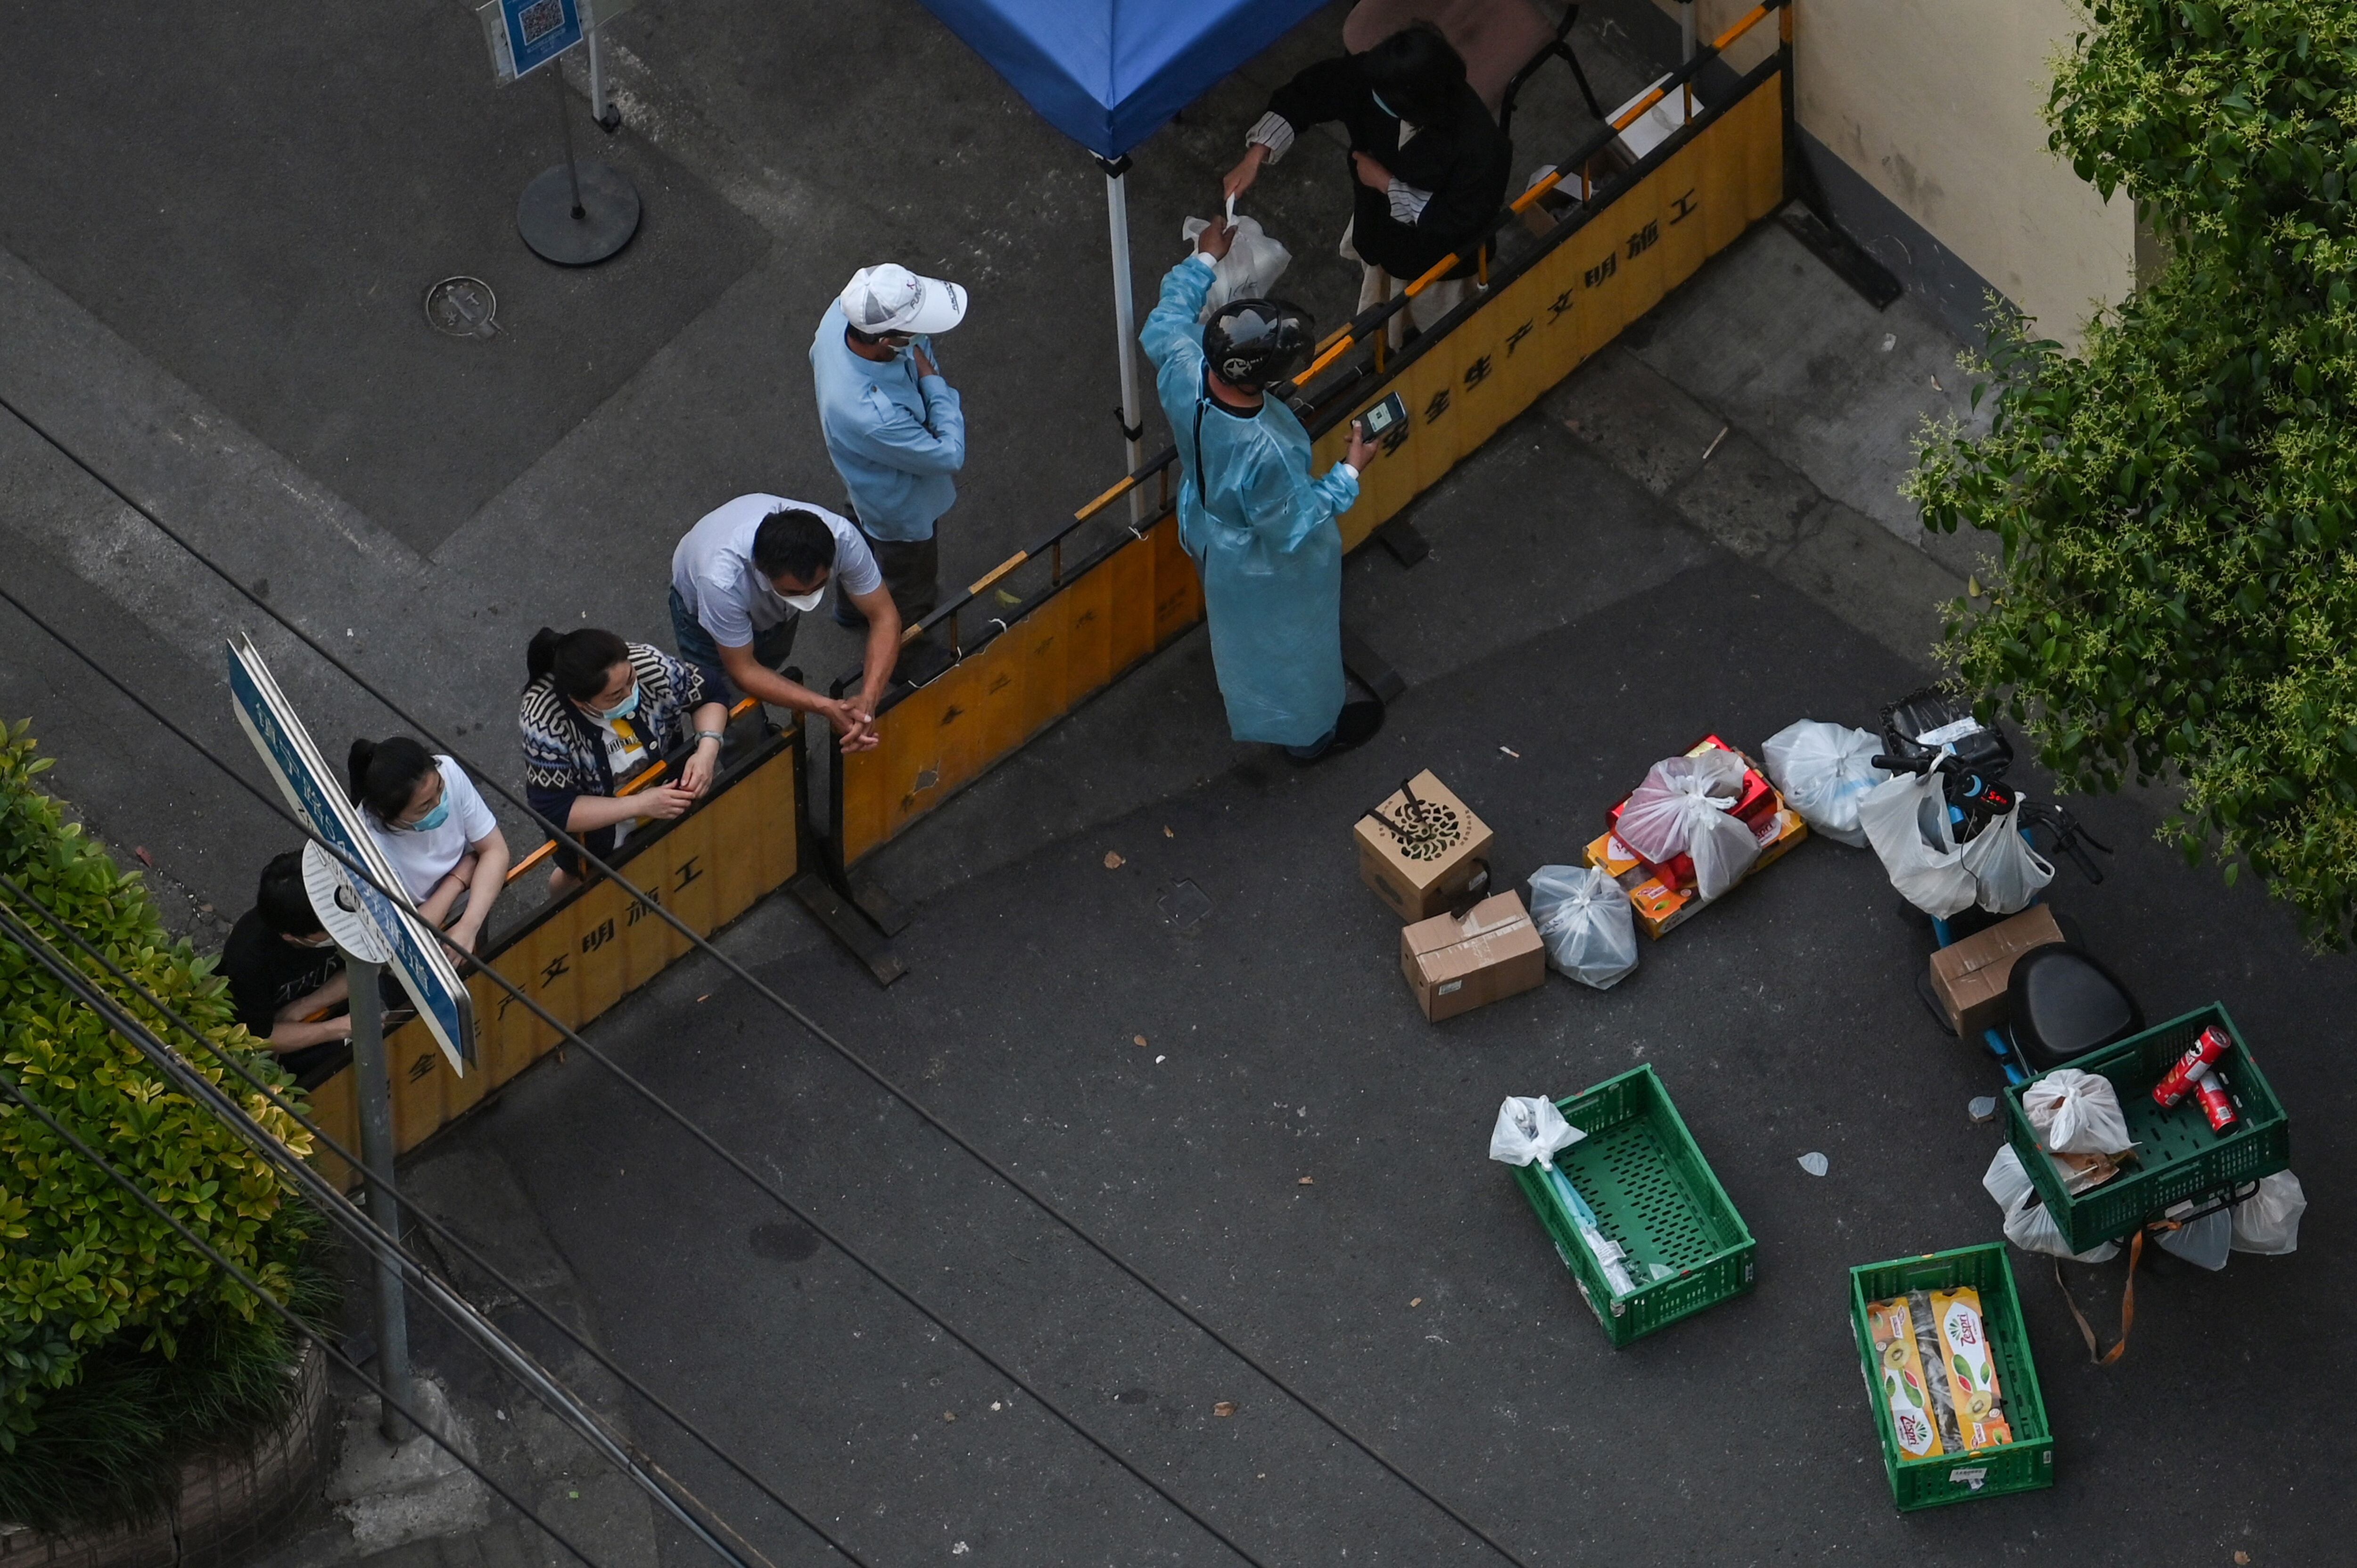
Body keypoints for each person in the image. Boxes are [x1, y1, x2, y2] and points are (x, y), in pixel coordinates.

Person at [1141, 221, 1384, 763]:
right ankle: (1311, 736)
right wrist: (1349, 470)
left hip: (1203, 524)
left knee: (1242, 634)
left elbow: (1164, 319)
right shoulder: (1265, 448)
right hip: (1257, 561)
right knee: (1292, 646)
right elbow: (1293, 525)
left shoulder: (1185, 366)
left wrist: (1204, 260)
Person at [1223, 23, 1510, 347]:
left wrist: (1387, 184)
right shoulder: (1381, 79)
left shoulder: (1482, 146)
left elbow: (1461, 220)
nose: (1373, 97)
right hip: (1379, 228)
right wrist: (1257, 154)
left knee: (1441, 326)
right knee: (1384, 303)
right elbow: (1311, 92)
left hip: (1438, 262)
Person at [811, 263, 969, 685]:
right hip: (903, 507)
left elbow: (918, 349)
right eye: (914, 331)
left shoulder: (839, 317)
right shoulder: (872, 414)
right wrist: (935, 385)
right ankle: (906, 651)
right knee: (909, 582)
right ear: (886, 341)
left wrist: (917, 353)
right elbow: (948, 452)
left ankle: (850, 607)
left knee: (857, 540)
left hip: (864, 481)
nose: (923, 337)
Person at [669, 494, 900, 752]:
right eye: (793, 593)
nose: (808, 598)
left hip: (768, 615)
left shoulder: (842, 537)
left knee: (768, 667)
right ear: (760, 569)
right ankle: (759, 771)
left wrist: (869, 699)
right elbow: (744, 671)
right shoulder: (720, 583)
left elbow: (884, 617)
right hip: (703, 622)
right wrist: (826, 707)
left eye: (820, 586)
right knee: (737, 719)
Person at [519, 626, 730, 895]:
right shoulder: (543, 720)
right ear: (580, 703)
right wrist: (640, 804)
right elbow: (555, 809)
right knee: (581, 884)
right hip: (597, 837)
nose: (631, 695)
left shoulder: (646, 665)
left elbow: (710, 692)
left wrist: (707, 752)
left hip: (668, 806)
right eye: (615, 697)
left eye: (631, 681)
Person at [347, 736, 511, 953]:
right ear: (386, 815)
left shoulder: (448, 771)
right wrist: (458, 880)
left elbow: (496, 851)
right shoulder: (369, 850)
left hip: (475, 902)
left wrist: (469, 926)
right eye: (424, 807)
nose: (440, 804)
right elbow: (403, 937)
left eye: (441, 789)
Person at [216, 850, 354, 1084]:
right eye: (328, 930)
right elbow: (262, 1037)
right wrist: (337, 1029)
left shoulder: (345, 903)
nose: (339, 930)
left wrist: (301, 1008)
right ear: (291, 936)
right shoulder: (247, 961)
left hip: (313, 1011)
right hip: (289, 1039)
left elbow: (366, 969)